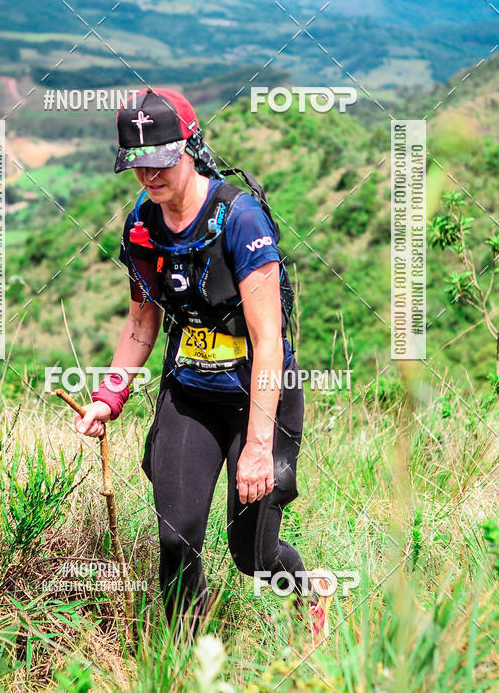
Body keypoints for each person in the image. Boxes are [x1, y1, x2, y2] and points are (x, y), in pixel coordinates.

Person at [74, 87, 333, 645]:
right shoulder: (142, 226)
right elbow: (141, 326)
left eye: (161, 160)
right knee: (176, 538)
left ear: (190, 146)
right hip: (191, 392)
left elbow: (269, 341)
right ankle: (185, 661)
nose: (149, 174)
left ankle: (309, 589)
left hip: (257, 397)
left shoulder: (239, 218)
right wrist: (108, 396)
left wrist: (259, 447)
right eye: (137, 163)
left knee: (253, 556)